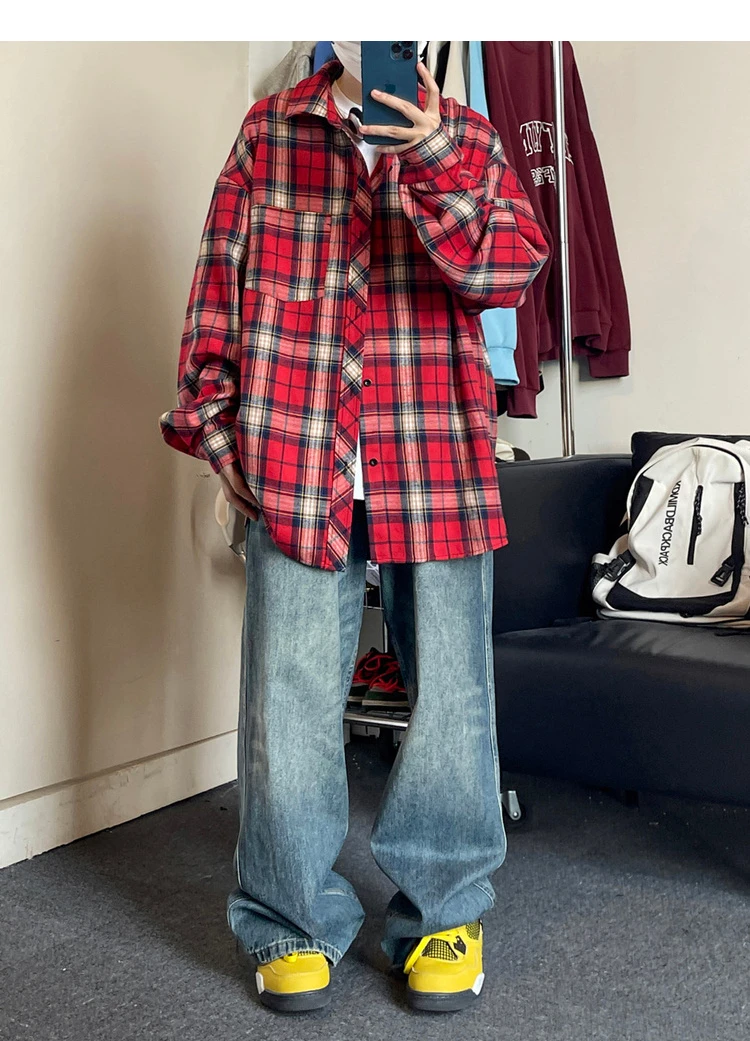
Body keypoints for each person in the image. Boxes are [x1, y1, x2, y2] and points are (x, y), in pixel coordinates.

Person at [159, 40, 548, 1014]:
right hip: (297, 461)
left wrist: (430, 155)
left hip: (435, 456)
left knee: (453, 695)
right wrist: (219, 437)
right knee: (286, 697)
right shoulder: (269, 134)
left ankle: (444, 910)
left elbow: (507, 270)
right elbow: (216, 294)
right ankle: (289, 918)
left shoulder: (468, 137)